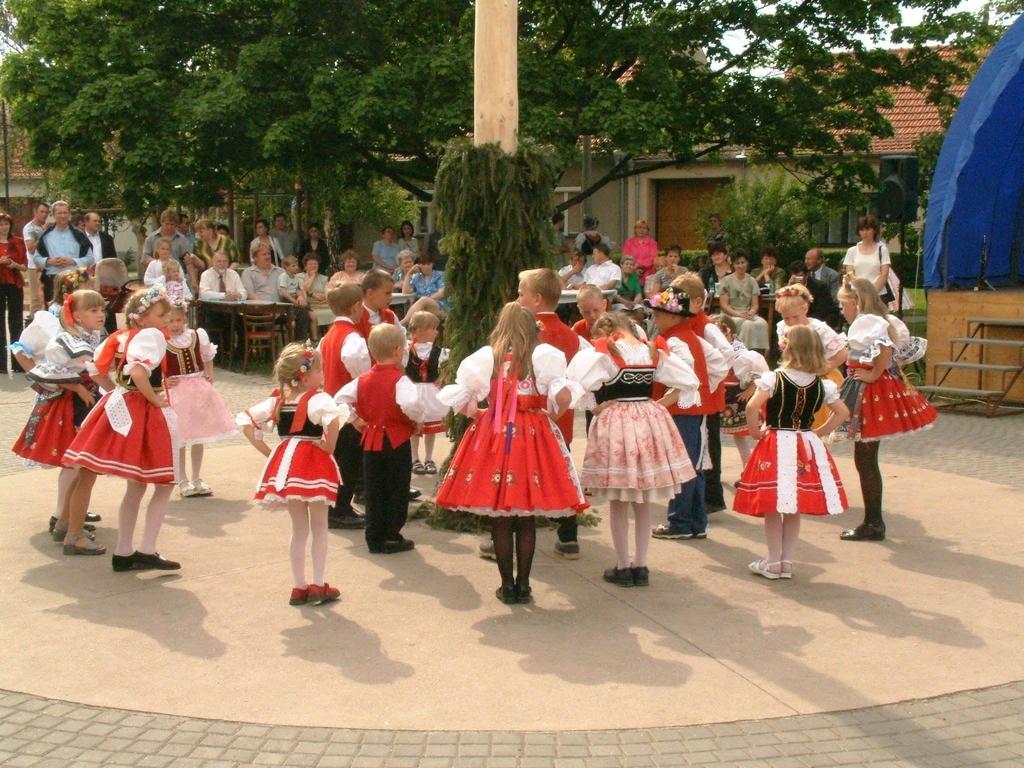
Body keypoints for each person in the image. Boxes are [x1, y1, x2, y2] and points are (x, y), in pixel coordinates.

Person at [436, 302, 586, 604]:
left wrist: (480, 414)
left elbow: (464, 403)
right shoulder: (543, 355)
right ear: (533, 328)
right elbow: (563, 397)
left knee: (501, 517)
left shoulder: (486, 357)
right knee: (526, 515)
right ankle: (525, 585)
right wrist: (549, 416)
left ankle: (506, 586)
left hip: (495, 433)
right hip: (532, 434)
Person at [568, 311, 700, 588]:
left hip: (618, 423)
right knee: (643, 500)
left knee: (619, 500)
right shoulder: (651, 349)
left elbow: (576, 383)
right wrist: (659, 404)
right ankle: (641, 566)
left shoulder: (606, 351)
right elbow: (688, 380)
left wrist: (595, 405)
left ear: (607, 329)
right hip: (649, 421)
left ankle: (623, 565)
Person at [64, 287, 181, 570]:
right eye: (161, 315)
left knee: (137, 484)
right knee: (164, 482)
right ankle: (146, 549)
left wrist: (117, 391)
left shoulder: (120, 337)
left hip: (122, 402)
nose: (166, 320)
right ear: (141, 318)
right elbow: (139, 370)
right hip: (145, 409)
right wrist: (155, 398)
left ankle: (124, 551)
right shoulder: (151, 336)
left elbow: (96, 370)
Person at [733, 325, 850, 579]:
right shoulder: (822, 384)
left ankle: (773, 562)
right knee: (793, 505)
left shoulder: (774, 378)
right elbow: (843, 413)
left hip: (776, 442)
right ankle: (786, 562)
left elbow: (753, 407)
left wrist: (754, 431)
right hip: (805, 444)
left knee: (774, 505)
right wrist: (818, 431)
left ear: (788, 347)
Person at [239, 344, 345, 605]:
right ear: (306, 376)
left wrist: (270, 453)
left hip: (288, 466)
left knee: (299, 529)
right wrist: (329, 446)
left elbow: (246, 422)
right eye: (319, 370)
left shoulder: (277, 400)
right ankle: (318, 584)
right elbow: (333, 420)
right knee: (320, 527)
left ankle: (299, 587)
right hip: (314, 463)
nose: (322, 375)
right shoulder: (319, 398)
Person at [835, 278, 937, 542]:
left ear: (856, 302)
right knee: (865, 460)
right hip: (871, 390)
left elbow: (883, 350)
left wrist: (874, 374)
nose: (842, 310)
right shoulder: (871, 321)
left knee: (866, 461)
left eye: (843, 304)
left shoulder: (866, 322)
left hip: (871, 393)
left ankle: (873, 523)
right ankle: (872, 521)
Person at [12, 290, 106, 542]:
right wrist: (76, 386)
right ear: (75, 315)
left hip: (89, 399)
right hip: (70, 405)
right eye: (93, 310)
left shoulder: (93, 336)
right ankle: (62, 517)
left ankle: (70, 516)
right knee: (73, 462)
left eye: (101, 310)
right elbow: (48, 372)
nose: (100, 315)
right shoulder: (66, 340)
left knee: (82, 463)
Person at [516, 268, 590, 559]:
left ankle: (513, 532)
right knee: (562, 474)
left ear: (535, 299)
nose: (517, 298)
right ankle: (568, 536)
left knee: (523, 475)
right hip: (563, 421)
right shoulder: (571, 335)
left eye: (521, 293)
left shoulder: (528, 333)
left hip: (531, 418)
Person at [647, 280, 729, 540]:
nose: (654, 318)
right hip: (691, 411)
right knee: (693, 465)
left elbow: (687, 378)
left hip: (682, 412)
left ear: (672, 315)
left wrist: (662, 405)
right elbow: (718, 364)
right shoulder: (688, 336)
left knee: (682, 465)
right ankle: (696, 521)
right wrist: (705, 391)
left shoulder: (675, 341)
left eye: (658, 314)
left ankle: (680, 521)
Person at [335, 323, 424, 554]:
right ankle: (391, 534)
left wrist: (354, 419)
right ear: (397, 351)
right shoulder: (400, 380)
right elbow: (411, 404)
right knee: (396, 486)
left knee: (374, 487)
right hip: (396, 440)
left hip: (371, 439)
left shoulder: (362, 379)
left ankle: (374, 535)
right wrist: (417, 420)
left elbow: (338, 398)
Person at [163, 299, 235, 498]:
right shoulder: (162, 340)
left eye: (178, 320)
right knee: (180, 437)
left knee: (198, 434)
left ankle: (197, 476)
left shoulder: (196, 335)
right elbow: (156, 366)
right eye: (171, 321)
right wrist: (164, 381)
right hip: (177, 392)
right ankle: (182, 479)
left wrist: (209, 373)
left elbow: (207, 355)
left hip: (197, 388)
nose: (175, 325)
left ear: (185, 319)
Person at [318, 283, 372, 530]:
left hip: (331, 408)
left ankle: (339, 505)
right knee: (348, 461)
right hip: (347, 410)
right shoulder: (352, 338)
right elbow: (360, 378)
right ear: (356, 306)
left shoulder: (328, 335)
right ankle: (339, 508)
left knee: (339, 459)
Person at [774, 283, 848, 429]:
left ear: (805, 309)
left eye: (795, 317)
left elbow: (842, 353)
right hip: (793, 377)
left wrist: (821, 369)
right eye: (786, 318)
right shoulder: (782, 327)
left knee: (814, 420)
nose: (791, 322)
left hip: (817, 377)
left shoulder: (819, 329)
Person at [712, 315, 769, 471]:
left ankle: (757, 467)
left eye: (721, 333)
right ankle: (747, 467)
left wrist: (751, 388)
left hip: (741, 397)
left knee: (753, 432)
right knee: (738, 436)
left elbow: (761, 373)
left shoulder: (741, 353)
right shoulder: (717, 351)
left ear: (730, 333)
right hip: (727, 396)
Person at [405, 311, 449, 475]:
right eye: (433, 328)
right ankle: (414, 458)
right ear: (420, 330)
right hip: (413, 391)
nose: (437, 332)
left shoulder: (440, 352)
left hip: (431, 392)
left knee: (430, 427)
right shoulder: (407, 350)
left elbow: (449, 367)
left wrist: (444, 377)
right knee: (414, 428)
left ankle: (429, 458)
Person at [35, 201, 94, 304]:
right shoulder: (45, 236)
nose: (63, 216)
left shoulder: (79, 235)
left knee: (74, 310)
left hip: (74, 279)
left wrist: (73, 261)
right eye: (59, 213)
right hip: (52, 279)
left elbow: (90, 258)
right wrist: (49, 261)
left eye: (65, 213)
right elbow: (36, 258)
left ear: (69, 214)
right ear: (53, 215)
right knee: (53, 312)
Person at [718, 250, 770, 354]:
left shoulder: (752, 281)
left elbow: (755, 305)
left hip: (748, 313)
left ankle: (761, 354)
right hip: (731, 314)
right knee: (747, 325)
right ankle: (741, 353)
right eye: (737, 263)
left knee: (762, 323)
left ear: (747, 263)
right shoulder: (726, 281)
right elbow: (724, 305)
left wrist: (751, 312)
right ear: (733, 264)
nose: (741, 265)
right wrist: (739, 314)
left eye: (743, 262)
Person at [0, 211, 29, 372]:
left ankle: (18, 363)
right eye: (1, 224)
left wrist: (14, 265)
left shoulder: (18, 242)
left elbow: (24, 265)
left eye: (6, 224)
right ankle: (1, 365)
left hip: (14, 283)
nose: (3, 227)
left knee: (16, 322)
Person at [841, 215, 890, 297]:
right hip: (857, 294)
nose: (864, 232)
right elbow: (850, 273)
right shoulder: (851, 251)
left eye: (867, 229)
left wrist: (872, 292)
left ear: (874, 230)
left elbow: (884, 274)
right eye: (862, 230)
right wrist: (861, 291)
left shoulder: (882, 250)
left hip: (877, 295)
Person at [787, 261, 842, 329]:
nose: (798, 279)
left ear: (807, 274)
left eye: (800, 276)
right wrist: (789, 288)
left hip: (821, 319)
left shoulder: (819, 287)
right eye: (795, 276)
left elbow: (821, 311)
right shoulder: (790, 287)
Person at [141, 209, 191, 277]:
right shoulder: (151, 238)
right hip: (157, 277)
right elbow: (144, 258)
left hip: (176, 277)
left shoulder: (182, 240)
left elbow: (188, 262)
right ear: (161, 222)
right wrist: (159, 264)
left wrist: (193, 281)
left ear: (176, 224)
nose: (169, 227)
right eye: (167, 224)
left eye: (172, 224)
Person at [355, 269, 401, 337]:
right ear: (370, 293)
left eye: (391, 293)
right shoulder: (356, 319)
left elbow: (402, 338)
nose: (391, 297)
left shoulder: (390, 315)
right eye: (387, 293)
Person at [22, 201, 49, 313]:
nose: (44, 214)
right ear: (35, 212)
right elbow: (31, 248)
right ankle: (34, 323)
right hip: (34, 266)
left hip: (47, 265)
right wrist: (44, 234)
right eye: (42, 212)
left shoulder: (43, 227)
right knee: (36, 298)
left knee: (46, 296)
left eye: (46, 212)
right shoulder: (30, 228)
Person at [401, 252, 447, 316]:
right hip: (422, 307)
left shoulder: (440, 275)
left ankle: (402, 323)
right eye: (423, 264)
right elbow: (405, 291)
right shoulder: (416, 277)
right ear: (418, 265)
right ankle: (405, 324)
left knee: (422, 301)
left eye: (428, 264)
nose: (426, 266)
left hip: (438, 305)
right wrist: (409, 273)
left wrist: (425, 300)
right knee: (418, 307)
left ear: (432, 264)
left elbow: (441, 293)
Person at [278, 255, 310, 340]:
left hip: (294, 299)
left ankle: (301, 340)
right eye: (293, 266)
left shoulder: (296, 278)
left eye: (296, 265)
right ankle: (292, 338)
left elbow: (300, 290)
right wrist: (293, 301)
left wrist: (302, 298)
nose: (296, 267)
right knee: (292, 320)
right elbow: (283, 292)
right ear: (286, 267)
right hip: (286, 301)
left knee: (305, 313)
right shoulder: (284, 276)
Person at [301, 254, 331, 341]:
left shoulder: (323, 278)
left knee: (333, 313)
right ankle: (315, 339)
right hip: (309, 305)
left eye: (315, 264)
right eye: (310, 264)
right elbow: (304, 288)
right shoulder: (300, 277)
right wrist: (313, 277)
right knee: (314, 316)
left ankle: (329, 339)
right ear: (305, 266)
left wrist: (311, 294)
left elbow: (325, 295)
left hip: (322, 305)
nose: (313, 266)